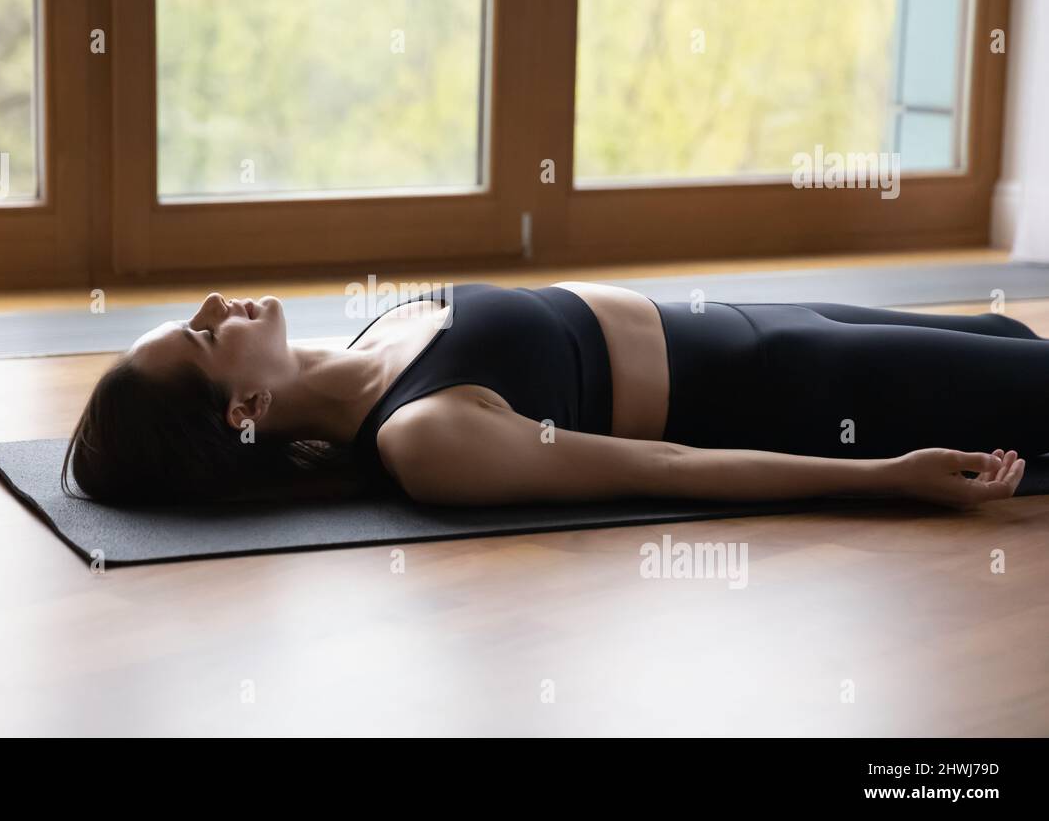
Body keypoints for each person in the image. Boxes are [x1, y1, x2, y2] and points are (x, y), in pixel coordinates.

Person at [63, 282, 1035, 507]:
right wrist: (882, 477)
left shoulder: (364, 335)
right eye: (202, 335)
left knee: (1010, 338)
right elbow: (665, 466)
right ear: (243, 410)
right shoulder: (422, 436)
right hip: (808, 388)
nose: (213, 304)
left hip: (763, 314)